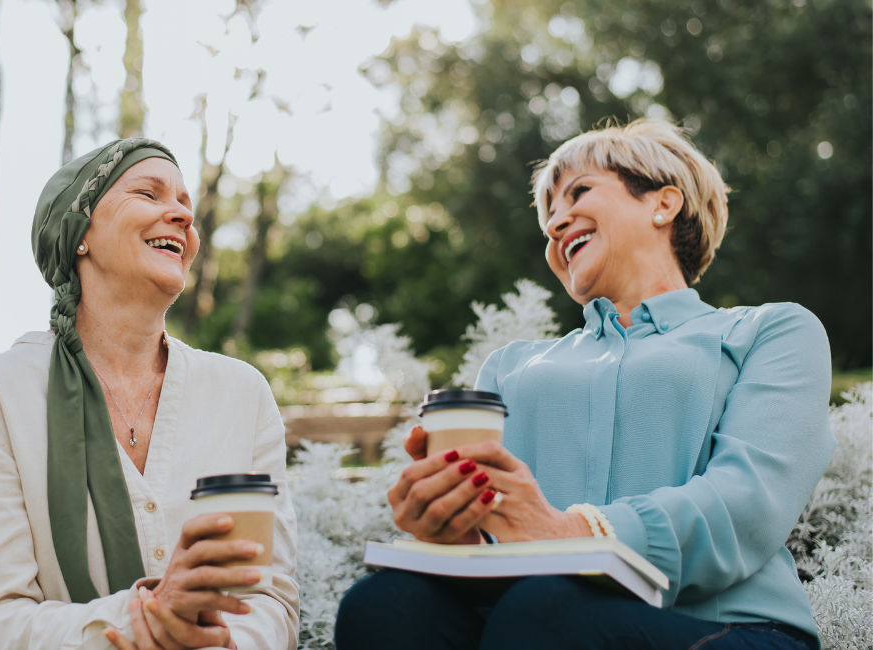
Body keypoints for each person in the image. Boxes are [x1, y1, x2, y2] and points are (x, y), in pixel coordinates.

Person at [335, 119, 835, 650]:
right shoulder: (509, 367)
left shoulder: (771, 331)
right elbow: (498, 526)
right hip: (531, 620)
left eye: (579, 192)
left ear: (663, 204)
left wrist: (576, 533)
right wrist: (457, 525)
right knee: (383, 604)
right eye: (548, 215)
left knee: (549, 613)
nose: (555, 224)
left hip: (728, 629)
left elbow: (746, 505)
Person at [0, 138, 299, 650]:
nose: (182, 217)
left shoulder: (243, 394)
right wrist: (142, 622)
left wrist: (219, 641)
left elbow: (271, 599)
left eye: (186, 207)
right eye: (149, 194)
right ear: (79, 232)